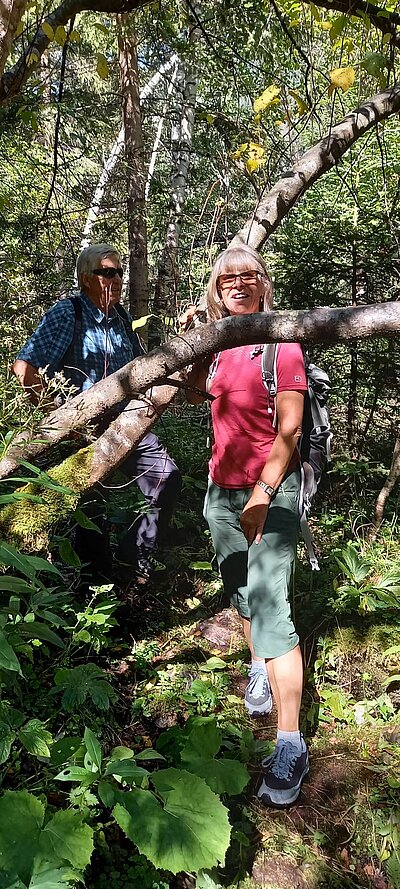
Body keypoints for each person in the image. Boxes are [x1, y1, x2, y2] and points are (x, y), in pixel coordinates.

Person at [183, 244, 309, 808]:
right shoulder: (217, 345)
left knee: (271, 605)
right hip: (220, 495)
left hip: (272, 494)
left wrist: (261, 494)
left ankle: (291, 743)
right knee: (241, 587)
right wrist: (188, 348)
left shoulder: (281, 345)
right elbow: (195, 398)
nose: (237, 282)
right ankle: (258, 664)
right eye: (227, 276)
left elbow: (289, 433)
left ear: (264, 283)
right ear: (216, 286)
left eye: (249, 275)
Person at [13, 243, 181, 587]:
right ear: (86, 278)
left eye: (119, 272)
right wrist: (60, 417)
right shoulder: (68, 313)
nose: (116, 278)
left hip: (125, 424)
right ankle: (98, 591)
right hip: (82, 429)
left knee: (167, 478)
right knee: (91, 514)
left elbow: (142, 369)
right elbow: (25, 368)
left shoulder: (120, 320)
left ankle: (134, 560)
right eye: (107, 272)